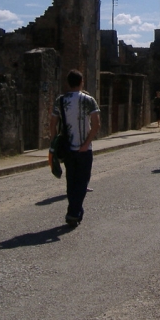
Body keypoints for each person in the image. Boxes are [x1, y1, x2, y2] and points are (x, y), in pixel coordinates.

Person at [50, 69, 101, 228]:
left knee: (71, 181)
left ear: (68, 83)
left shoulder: (60, 100)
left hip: (67, 148)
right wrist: (86, 143)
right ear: (81, 82)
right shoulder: (88, 100)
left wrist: (54, 143)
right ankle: (74, 212)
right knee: (82, 182)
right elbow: (96, 124)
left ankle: (74, 211)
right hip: (84, 149)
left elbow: (52, 124)